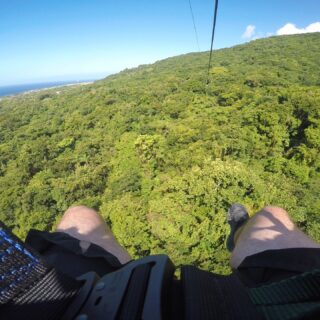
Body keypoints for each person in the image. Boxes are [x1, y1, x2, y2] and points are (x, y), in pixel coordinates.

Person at [1, 204, 320, 319]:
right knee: (273, 215)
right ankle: (238, 233)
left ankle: (241, 233)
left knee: (79, 215)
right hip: (293, 298)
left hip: (59, 302)